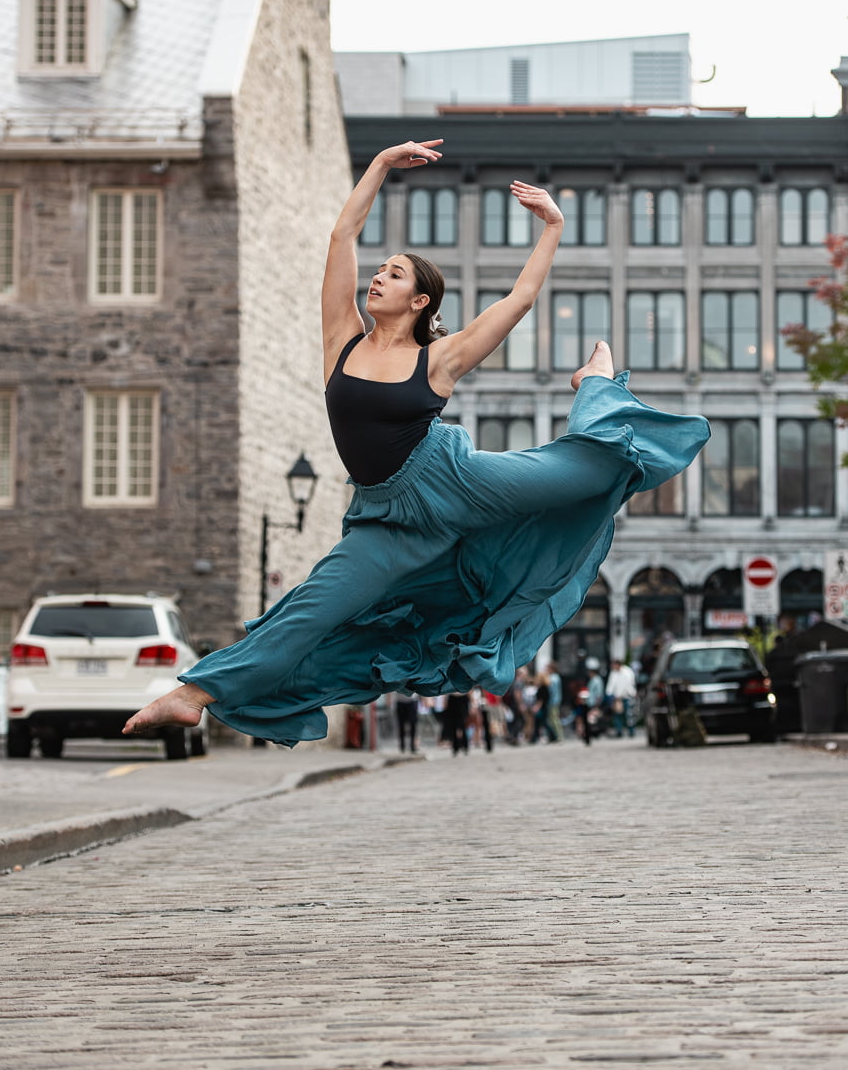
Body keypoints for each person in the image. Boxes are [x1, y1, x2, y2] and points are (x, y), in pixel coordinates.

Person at [123, 139, 709, 748]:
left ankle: (595, 385)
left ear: (420, 300)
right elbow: (340, 240)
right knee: (310, 610)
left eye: (394, 274)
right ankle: (195, 695)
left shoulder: (438, 360)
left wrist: (553, 227)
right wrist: (377, 166)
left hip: (452, 480)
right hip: (385, 519)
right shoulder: (342, 341)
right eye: (380, 271)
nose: (378, 276)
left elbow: (519, 300)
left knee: (585, 472)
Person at [605, 657, 637, 737]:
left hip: (627, 696)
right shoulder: (613, 673)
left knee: (629, 715)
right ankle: (619, 731)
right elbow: (610, 685)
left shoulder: (627, 672)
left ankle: (631, 731)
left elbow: (628, 685)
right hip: (617, 698)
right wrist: (609, 694)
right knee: (617, 715)